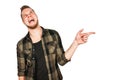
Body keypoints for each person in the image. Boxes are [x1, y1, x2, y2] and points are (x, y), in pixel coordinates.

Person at [16, 5, 95, 80]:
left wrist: (76, 42)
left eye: (31, 12)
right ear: (23, 21)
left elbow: (62, 61)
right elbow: (21, 73)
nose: (29, 16)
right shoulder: (21, 45)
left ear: (36, 15)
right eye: (25, 15)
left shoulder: (53, 35)